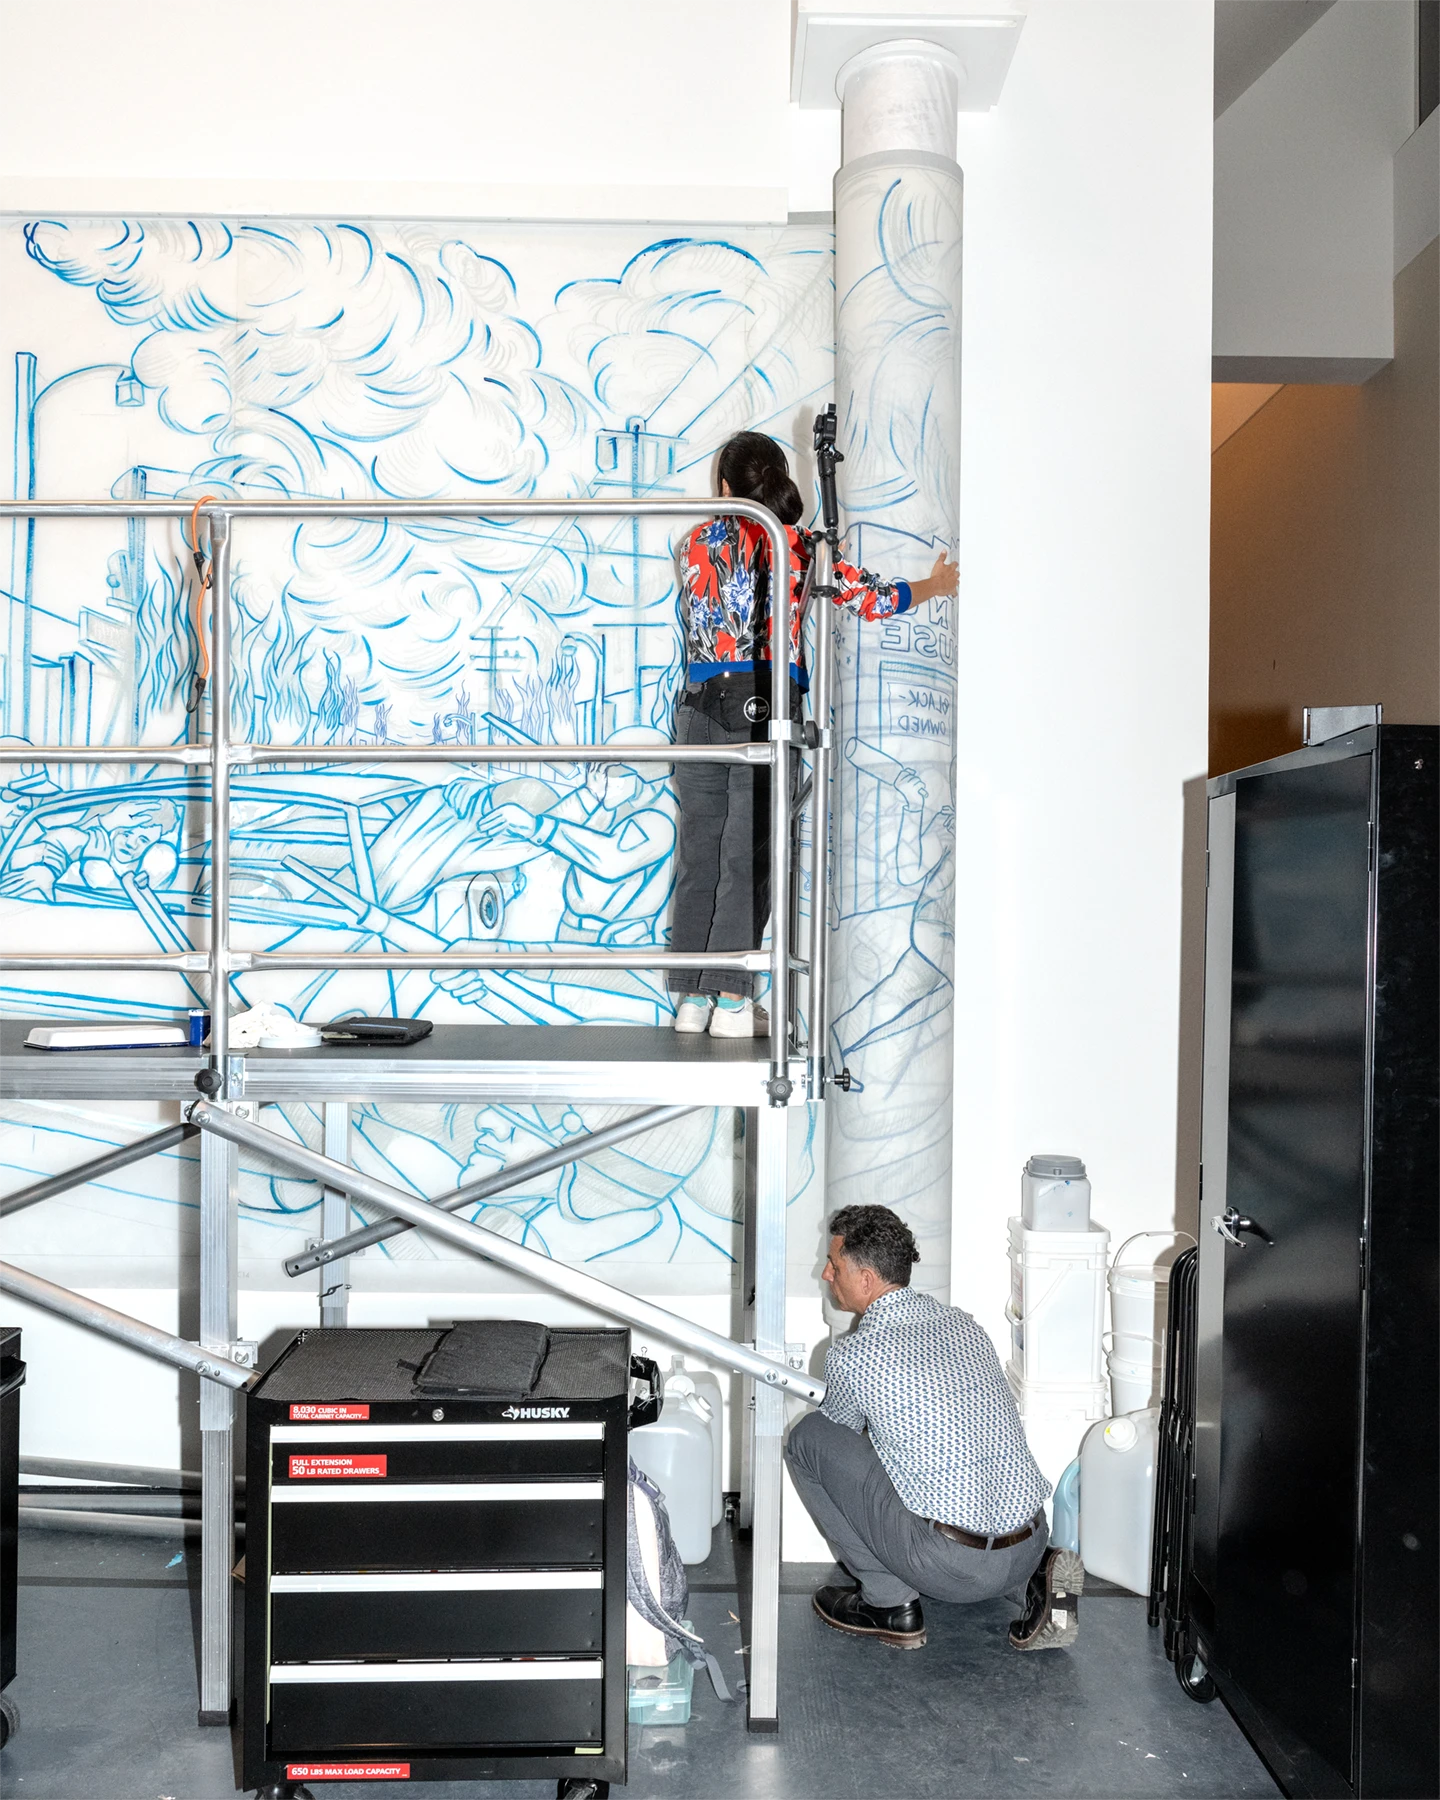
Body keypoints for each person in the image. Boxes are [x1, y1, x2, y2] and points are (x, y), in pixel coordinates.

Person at [669, 431, 958, 1039]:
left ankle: (690, 1004)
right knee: (747, 859)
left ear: (725, 488)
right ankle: (731, 1002)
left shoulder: (693, 544)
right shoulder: (797, 548)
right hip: (765, 703)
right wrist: (934, 585)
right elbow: (869, 597)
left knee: (699, 857)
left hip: (697, 708)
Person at [785, 1204, 1083, 1652]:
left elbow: (842, 1439)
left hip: (950, 1567)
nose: (825, 1273)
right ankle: (1036, 1582)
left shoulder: (853, 1355)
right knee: (965, 1504)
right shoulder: (966, 1326)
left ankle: (889, 1603)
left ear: (866, 1280)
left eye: (834, 1264)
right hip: (1030, 1537)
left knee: (808, 1438)